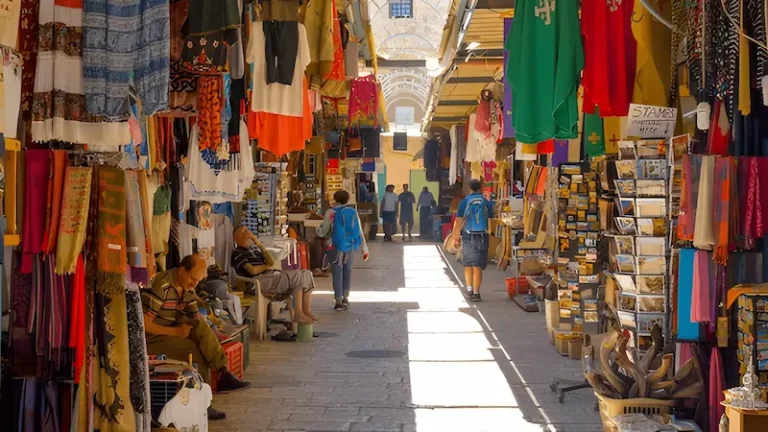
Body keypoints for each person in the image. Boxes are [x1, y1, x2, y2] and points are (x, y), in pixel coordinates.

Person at [142, 254, 250, 420]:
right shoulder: (161, 285)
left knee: (199, 325)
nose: (195, 283)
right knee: (196, 352)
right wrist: (176, 333)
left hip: (168, 330)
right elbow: (145, 324)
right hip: (150, 339)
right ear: (182, 270)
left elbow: (196, 319)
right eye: (193, 278)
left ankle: (222, 371)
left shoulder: (187, 288)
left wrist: (210, 337)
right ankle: (205, 404)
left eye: (198, 281)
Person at [231, 226, 317, 323]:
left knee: (307, 273)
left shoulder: (255, 249)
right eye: (244, 232)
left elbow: (271, 262)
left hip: (269, 277)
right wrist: (266, 267)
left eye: (248, 231)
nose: (247, 234)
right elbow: (253, 271)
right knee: (296, 276)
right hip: (256, 282)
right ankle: (298, 313)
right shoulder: (238, 253)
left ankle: (306, 310)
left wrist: (257, 243)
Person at [318, 190, 369, 311]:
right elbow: (359, 230)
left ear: (335, 199)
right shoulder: (352, 212)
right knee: (348, 271)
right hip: (350, 246)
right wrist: (364, 248)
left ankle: (338, 300)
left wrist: (318, 230)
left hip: (335, 246)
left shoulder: (331, 212)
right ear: (347, 199)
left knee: (337, 272)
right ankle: (346, 297)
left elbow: (323, 231)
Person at [450, 179, 493, 302]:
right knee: (478, 265)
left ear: (469, 188)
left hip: (468, 235)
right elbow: (490, 219)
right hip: (482, 235)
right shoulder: (486, 202)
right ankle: (476, 293)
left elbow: (458, 221)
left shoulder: (465, 202)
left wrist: (455, 237)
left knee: (468, 263)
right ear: (481, 188)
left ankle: (469, 289)